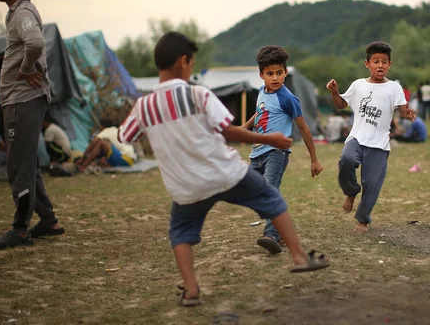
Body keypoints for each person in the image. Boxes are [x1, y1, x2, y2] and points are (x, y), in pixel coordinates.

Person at [117, 31, 329, 305]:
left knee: (180, 231)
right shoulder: (198, 94)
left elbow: (125, 137)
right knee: (271, 198)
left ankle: (192, 291)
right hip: (224, 172)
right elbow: (228, 130)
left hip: (185, 185)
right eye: (192, 63)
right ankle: (300, 257)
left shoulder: (143, 107)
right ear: (184, 61)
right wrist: (269, 138)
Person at [0, 0, 64, 249]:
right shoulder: (17, 13)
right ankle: (48, 220)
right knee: (27, 163)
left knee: (18, 165)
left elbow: (35, 44)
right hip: (20, 99)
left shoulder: (23, 12)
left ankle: (20, 229)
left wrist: (26, 68)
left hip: (23, 99)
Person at [240, 46, 323, 254]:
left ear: (286, 72)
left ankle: (272, 235)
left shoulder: (288, 98)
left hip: (277, 153)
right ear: (261, 75)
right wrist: (245, 127)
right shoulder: (261, 92)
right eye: (270, 74)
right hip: (257, 152)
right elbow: (259, 112)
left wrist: (314, 159)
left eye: (279, 73)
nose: (275, 78)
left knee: (270, 190)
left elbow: (303, 127)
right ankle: (282, 230)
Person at [326, 41, 416, 233]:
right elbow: (341, 104)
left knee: (372, 184)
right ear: (367, 64)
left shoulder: (394, 88)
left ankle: (363, 220)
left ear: (390, 64)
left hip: (379, 144)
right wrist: (334, 92)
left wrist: (408, 113)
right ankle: (351, 191)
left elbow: (402, 110)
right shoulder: (358, 85)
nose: (380, 65)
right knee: (346, 160)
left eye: (384, 61)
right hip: (357, 138)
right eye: (376, 61)